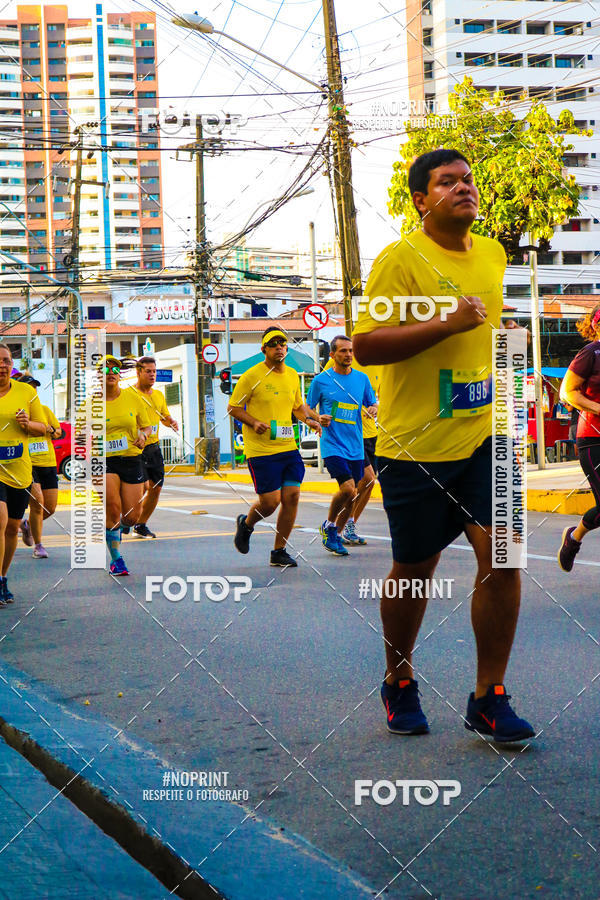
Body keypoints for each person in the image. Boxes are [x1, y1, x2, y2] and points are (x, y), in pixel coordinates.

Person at [353, 148, 534, 743]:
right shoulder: (400, 259)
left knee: (504, 554)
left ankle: (489, 696)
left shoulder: (493, 253)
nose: (463, 188)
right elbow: (366, 345)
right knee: (414, 570)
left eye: (468, 180)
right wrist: (445, 325)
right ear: (420, 200)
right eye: (447, 181)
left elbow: (483, 329)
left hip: (487, 435)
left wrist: (503, 343)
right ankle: (398, 679)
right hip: (416, 444)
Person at [229, 326, 322, 568]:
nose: (279, 347)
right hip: (261, 450)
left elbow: (297, 407)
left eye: (282, 343)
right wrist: (253, 422)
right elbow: (233, 408)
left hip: (287, 447)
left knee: (292, 496)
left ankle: (279, 551)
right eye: (273, 344)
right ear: (264, 349)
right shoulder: (251, 376)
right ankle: (246, 524)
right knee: (271, 502)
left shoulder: (291, 374)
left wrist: (311, 420)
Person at [307, 335, 377, 555]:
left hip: (355, 445)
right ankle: (329, 525)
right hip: (333, 444)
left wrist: (374, 408)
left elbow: (372, 402)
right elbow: (306, 408)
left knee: (353, 493)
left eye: (350, 351)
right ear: (332, 355)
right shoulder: (321, 380)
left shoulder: (362, 378)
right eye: (343, 351)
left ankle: (335, 533)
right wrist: (317, 418)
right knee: (347, 488)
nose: (348, 355)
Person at [0, 344, 46, 605]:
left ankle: (3, 577)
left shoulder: (26, 392)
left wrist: (28, 424)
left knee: (11, 528)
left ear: (12, 364)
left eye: (6, 360)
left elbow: (44, 427)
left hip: (19, 471)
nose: (2, 365)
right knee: (0, 520)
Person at [557, 304, 600, 571]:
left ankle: (573, 537)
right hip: (594, 439)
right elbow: (567, 392)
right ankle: (573, 539)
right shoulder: (590, 353)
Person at [103, 355, 152, 575]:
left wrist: (143, 436)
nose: (111, 373)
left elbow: (147, 426)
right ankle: (116, 560)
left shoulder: (133, 398)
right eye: (105, 370)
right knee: (113, 509)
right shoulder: (90, 404)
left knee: (131, 517)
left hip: (131, 458)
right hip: (104, 461)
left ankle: (116, 529)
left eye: (115, 370)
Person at [124, 356, 179, 539]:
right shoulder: (128, 394)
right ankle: (127, 517)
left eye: (154, 371)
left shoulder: (159, 395)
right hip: (134, 448)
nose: (152, 375)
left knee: (155, 488)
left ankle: (140, 525)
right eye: (148, 371)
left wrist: (171, 422)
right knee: (142, 487)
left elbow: (164, 417)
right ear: (138, 372)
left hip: (153, 448)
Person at [12, 374, 62, 559]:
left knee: (50, 508)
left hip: (47, 463)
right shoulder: (15, 412)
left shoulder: (45, 410)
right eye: (29, 387)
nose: (33, 390)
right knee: (38, 502)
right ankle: (39, 546)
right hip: (27, 463)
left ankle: (26, 525)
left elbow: (58, 431)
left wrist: (50, 429)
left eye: (35, 387)